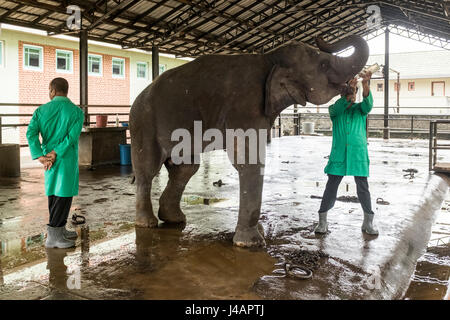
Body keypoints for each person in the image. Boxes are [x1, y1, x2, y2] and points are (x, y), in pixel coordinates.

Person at [315, 71, 378, 235]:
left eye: (354, 93)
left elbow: (368, 104)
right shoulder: (335, 110)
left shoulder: (360, 110)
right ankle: (322, 221)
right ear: (342, 94)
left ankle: (368, 222)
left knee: (363, 187)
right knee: (331, 186)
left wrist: (364, 84)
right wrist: (348, 93)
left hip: (358, 155)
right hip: (339, 155)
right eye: (350, 93)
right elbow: (339, 106)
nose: (353, 96)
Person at [26, 77, 84, 248]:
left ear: (52, 90)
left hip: (49, 161)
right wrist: (56, 152)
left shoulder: (41, 111)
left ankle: (60, 229)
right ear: (66, 90)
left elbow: (31, 134)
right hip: (64, 159)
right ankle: (54, 237)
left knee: (54, 193)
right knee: (64, 195)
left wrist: (40, 155)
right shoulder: (76, 112)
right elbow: (72, 138)